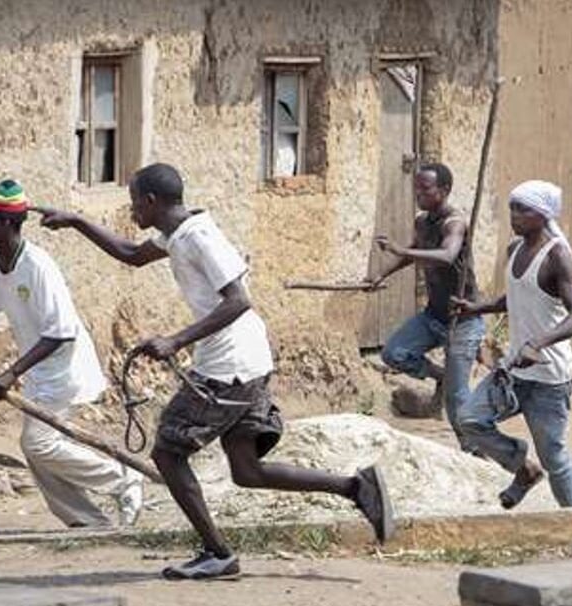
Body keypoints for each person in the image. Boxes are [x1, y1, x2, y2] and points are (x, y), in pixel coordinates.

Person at [38, 163, 394, 580]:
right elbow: (132, 255)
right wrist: (76, 221)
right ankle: (355, 487)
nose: (132, 211)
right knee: (246, 470)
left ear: (151, 201)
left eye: (135, 202)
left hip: (230, 366)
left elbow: (238, 300)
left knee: (168, 454)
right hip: (243, 360)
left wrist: (176, 341)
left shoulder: (199, 236)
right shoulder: (177, 234)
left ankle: (217, 552)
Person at [0, 179, 142, 528]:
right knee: (36, 449)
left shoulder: (38, 267)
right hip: (40, 372)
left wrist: (12, 372)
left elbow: (61, 333)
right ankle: (86, 521)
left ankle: (123, 479)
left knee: (39, 445)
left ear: (6, 223)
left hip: (64, 369)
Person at [452, 181, 572, 508]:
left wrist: (539, 344)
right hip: (514, 371)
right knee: (469, 420)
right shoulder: (514, 249)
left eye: (523, 209)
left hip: (549, 378)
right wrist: (478, 308)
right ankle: (523, 469)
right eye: (512, 208)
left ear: (543, 215)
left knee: (553, 457)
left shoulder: (557, 256)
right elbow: (516, 296)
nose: (515, 215)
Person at [365, 163, 485, 443]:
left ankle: (472, 449)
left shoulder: (454, 223)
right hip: (434, 315)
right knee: (394, 354)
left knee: (456, 400)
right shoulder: (422, 222)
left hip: (462, 320)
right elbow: (413, 253)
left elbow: (447, 255)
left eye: (425, 189)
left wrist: (399, 249)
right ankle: (442, 375)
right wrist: (382, 273)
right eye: (416, 188)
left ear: (444, 190)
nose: (418, 194)